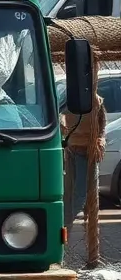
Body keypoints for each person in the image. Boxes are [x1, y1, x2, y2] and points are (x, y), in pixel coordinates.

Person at [63, 89, 106, 232]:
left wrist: (100, 140)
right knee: (71, 194)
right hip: (72, 150)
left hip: (87, 152)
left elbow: (102, 124)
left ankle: (65, 226)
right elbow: (58, 113)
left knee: (80, 194)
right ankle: (64, 226)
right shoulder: (70, 97)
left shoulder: (96, 101)